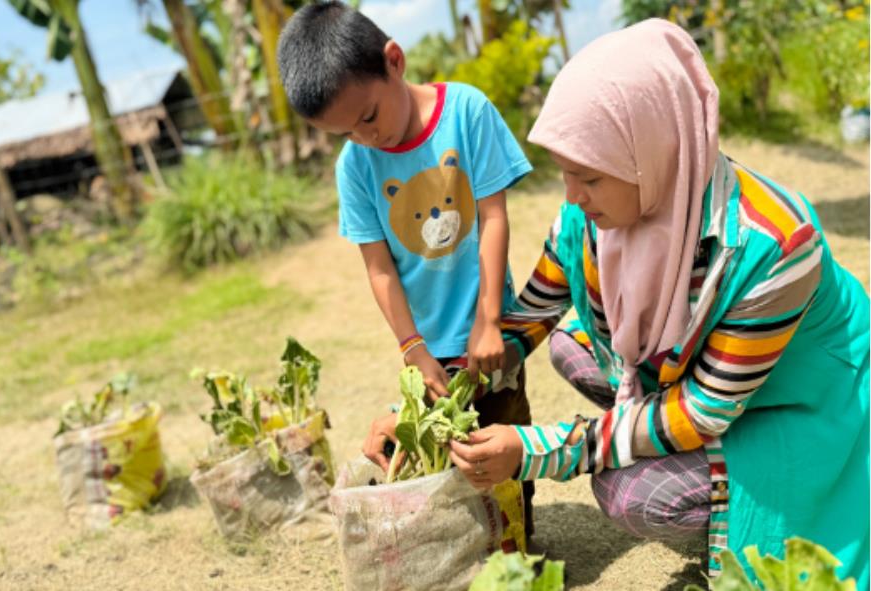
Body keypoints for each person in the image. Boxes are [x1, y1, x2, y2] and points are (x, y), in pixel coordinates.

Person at [365, 18, 870, 586]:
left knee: (627, 491)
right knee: (567, 344)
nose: (573, 196)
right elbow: (527, 322)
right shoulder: (586, 224)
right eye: (565, 173)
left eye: (590, 178)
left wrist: (536, 450)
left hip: (801, 403)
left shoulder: (773, 248)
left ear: (652, 151)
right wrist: (419, 415)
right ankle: (658, 441)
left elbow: (702, 412)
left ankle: (741, 508)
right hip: (703, 383)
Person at [277, 1, 542, 539]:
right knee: (441, 458)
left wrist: (490, 319)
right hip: (426, 349)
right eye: (346, 132)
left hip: (492, 334)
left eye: (369, 117)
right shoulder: (355, 166)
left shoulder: (466, 112)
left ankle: (518, 544)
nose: (367, 138)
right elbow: (379, 270)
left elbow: (494, 218)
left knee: (505, 441)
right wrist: (413, 350)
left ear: (393, 61)